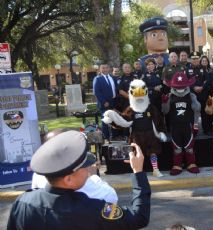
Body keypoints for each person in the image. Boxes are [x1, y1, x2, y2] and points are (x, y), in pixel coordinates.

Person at [7, 130, 151, 229]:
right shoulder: (90, 209)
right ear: (68, 179)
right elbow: (139, 217)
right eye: (84, 167)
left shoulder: (23, 202)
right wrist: (138, 172)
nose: (88, 169)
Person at [31, 128, 118, 204]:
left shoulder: (24, 202)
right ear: (68, 179)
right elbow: (111, 197)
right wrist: (93, 176)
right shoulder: (102, 194)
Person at [190, 52, 213, 135]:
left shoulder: (203, 68)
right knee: (193, 113)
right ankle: (194, 131)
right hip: (193, 94)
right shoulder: (187, 69)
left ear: (198, 59)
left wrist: (202, 87)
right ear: (191, 59)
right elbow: (186, 81)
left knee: (204, 113)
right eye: (193, 59)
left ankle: (206, 129)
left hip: (203, 93)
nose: (195, 60)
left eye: (196, 59)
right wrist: (194, 87)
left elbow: (208, 80)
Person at [93, 63, 118, 140]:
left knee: (114, 120)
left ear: (109, 69)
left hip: (113, 103)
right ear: (100, 69)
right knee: (105, 121)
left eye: (106, 68)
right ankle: (106, 138)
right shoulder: (97, 79)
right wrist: (104, 102)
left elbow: (116, 90)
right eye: (103, 68)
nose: (105, 69)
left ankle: (114, 137)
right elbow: (96, 92)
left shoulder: (112, 78)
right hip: (104, 104)